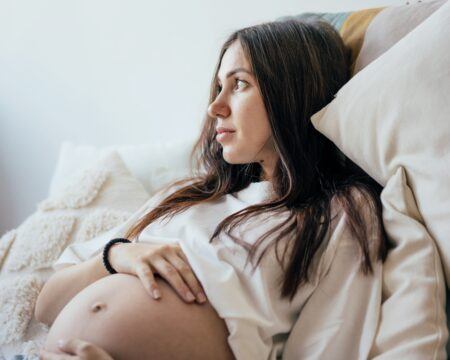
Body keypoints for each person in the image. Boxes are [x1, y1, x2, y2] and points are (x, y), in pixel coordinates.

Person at [36, 17, 392, 360]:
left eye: (239, 84)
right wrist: (116, 256)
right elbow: (46, 306)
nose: (215, 107)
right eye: (218, 86)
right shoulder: (186, 196)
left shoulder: (340, 211)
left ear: (293, 91)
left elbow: (333, 347)